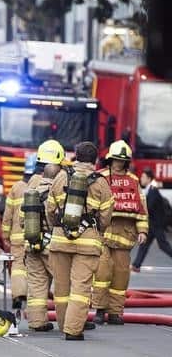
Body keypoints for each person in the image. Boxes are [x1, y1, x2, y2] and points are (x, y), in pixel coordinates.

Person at [46, 141, 113, 341]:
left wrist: (57, 228)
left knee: (61, 287)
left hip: (60, 239)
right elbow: (106, 216)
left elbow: (50, 209)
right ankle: (73, 330)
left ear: (75, 156)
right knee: (80, 288)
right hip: (87, 243)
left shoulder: (60, 177)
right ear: (95, 160)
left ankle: (63, 323)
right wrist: (96, 230)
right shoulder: (101, 182)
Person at [92, 141, 147, 325]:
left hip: (125, 237)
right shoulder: (101, 178)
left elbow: (142, 209)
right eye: (116, 160)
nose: (118, 164)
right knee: (102, 273)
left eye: (122, 161)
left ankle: (115, 312)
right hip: (103, 235)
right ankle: (99, 310)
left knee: (121, 275)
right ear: (110, 160)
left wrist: (143, 231)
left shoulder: (133, 181)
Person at [22, 140, 64, 332]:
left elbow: (23, 219)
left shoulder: (31, 184)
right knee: (64, 284)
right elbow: (59, 217)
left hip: (32, 243)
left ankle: (37, 322)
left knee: (37, 285)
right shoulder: (60, 184)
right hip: (52, 244)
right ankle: (69, 321)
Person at [1, 155, 37, 318]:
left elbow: (7, 214)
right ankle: (34, 299)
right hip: (36, 236)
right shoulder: (41, 186)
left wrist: (5, 234)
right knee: (36, 268)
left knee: (17, 268)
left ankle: (18, 296)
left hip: (17, 237)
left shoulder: (16, 188)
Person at [132, 168, 172, 271]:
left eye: (143, 177)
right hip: (152, 225)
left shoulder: (153, 190)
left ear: (149, 179)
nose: (141, 179)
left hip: (157, 225)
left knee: (163, 246)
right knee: (144, 245)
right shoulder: (150, 189)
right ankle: (136, 265)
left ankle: (136, 265)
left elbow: (148, 207)